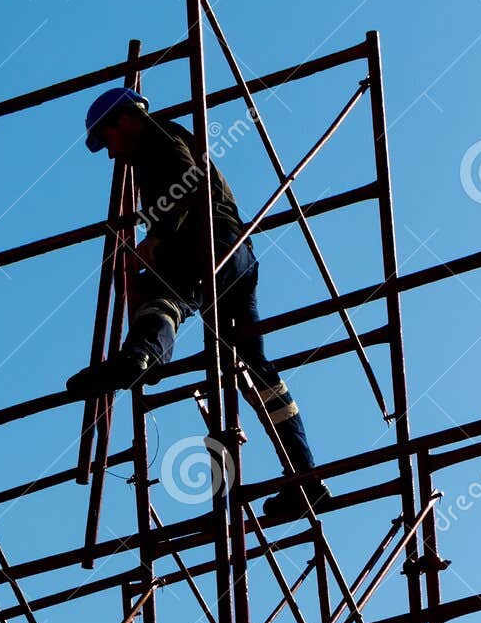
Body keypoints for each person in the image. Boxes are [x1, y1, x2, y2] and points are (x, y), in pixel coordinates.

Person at [66, 87, 329, 523]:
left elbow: (188, 188)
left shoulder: (160, 141)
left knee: (165, 293)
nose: (111, 155)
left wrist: (158, 237)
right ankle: (306, 480)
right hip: (238, 255)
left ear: (125, 120)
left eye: (107, 140)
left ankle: (143, 356)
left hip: (208, 246)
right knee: (256, 371)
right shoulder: (162, 145)